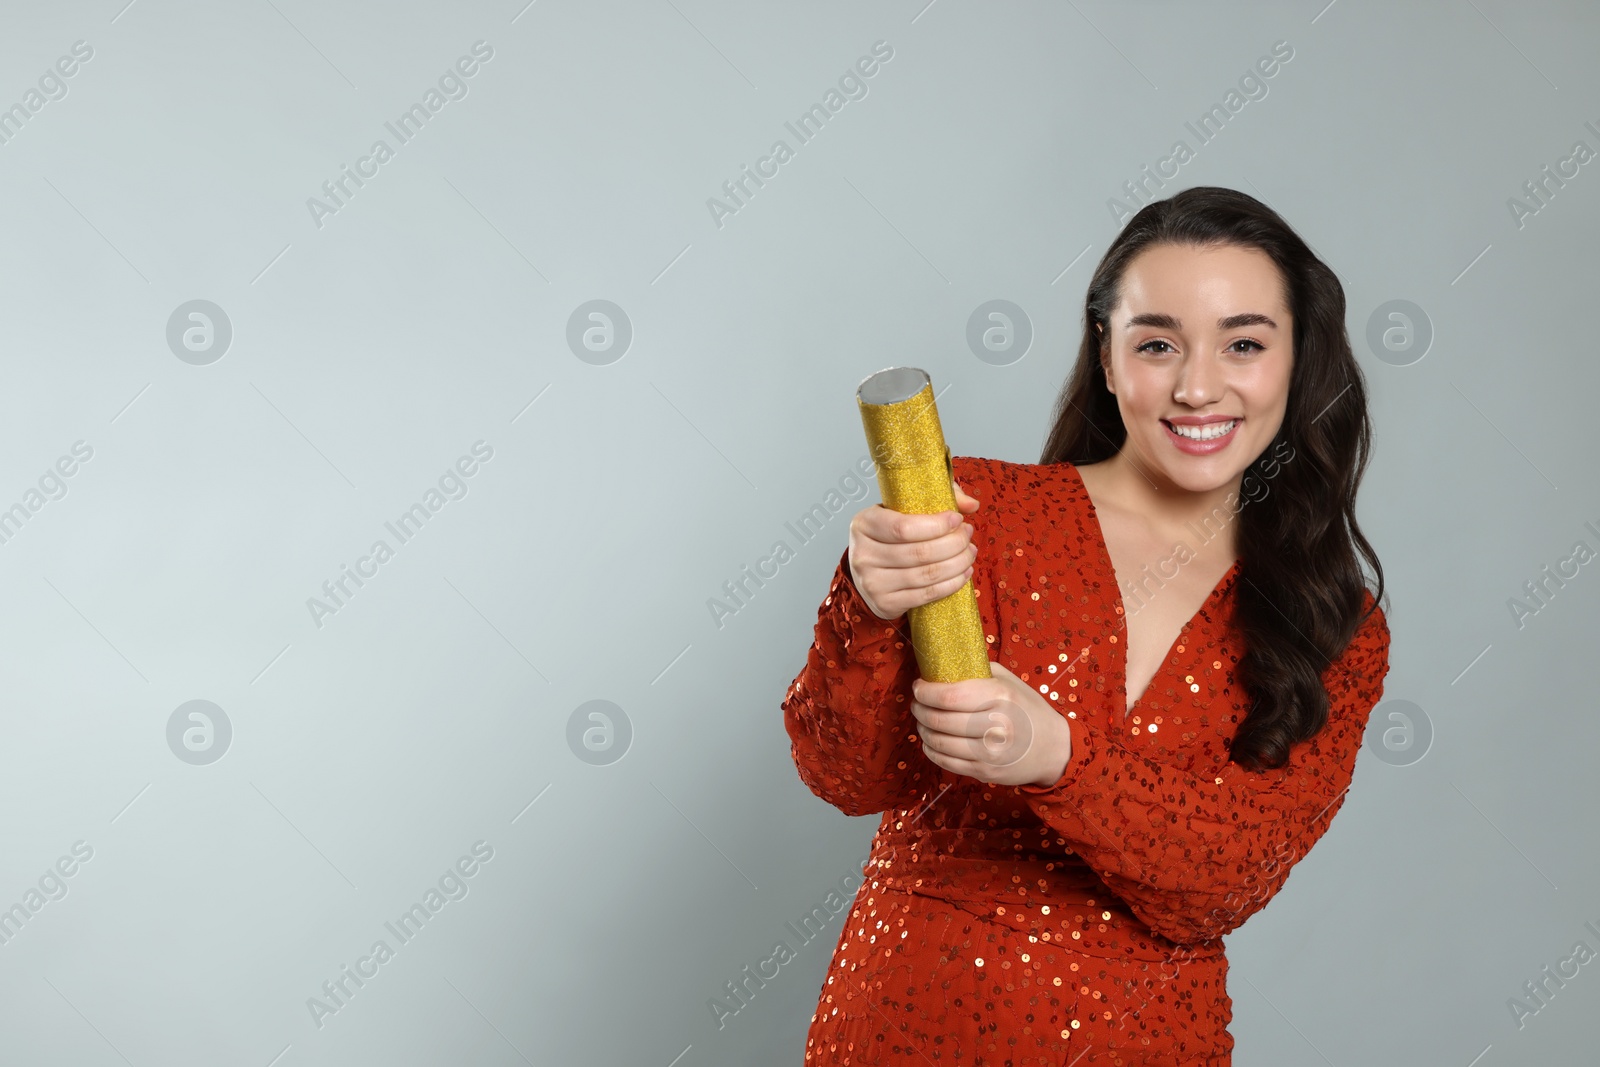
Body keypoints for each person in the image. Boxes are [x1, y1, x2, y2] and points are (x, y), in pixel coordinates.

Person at [781, 186, 1392, 1065]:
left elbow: (1227, 879)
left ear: (1299, 364)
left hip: (1145, 1041)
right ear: (1107, 360)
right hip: (905, 1021)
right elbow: (844, 773)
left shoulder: (1335, 624)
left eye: (1245, 343)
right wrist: (868, 606)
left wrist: (1060, 758)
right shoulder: (979, 516)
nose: (1196, 385)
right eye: (1156, 344)